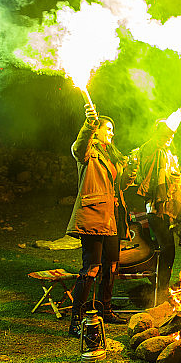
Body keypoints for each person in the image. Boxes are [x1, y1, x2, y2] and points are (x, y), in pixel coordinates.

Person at [67, 103, 136, 337]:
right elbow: (78, 147)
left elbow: (118, 186)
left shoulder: (111, 154)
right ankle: (76, 319)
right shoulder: (87, 151)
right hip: (94, 214)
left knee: (112, 266)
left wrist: (130, 174)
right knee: (91, 267)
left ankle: (105, 308)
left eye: (112, 130)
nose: (111, 133)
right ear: (96, 131)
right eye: (107, 128)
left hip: (112, 217)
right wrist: (89, 123)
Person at [133, 90, 181, 292]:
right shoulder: (150, 150)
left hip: (173, 212)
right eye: (165, 133)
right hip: (157, 211)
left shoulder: (169, 155)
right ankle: (161, 290)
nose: (169, 136)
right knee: (168, 249)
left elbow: (175, 185)